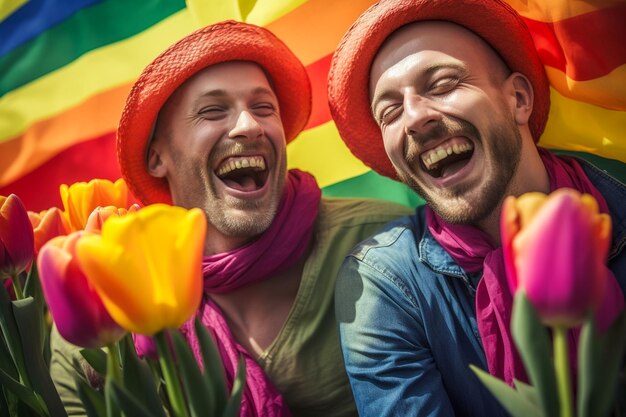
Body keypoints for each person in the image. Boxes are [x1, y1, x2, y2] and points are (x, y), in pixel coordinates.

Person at [49, 20, 411, 417]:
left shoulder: (387, 244)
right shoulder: (100, 306)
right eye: (212, 111)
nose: (249, 125)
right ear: (157, 158)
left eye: (263, 107)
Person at [327, 0, 626, 416]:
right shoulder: (383, 286)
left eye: (443, 84)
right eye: (390, 112)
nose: (413, 118)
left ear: (519, 98)